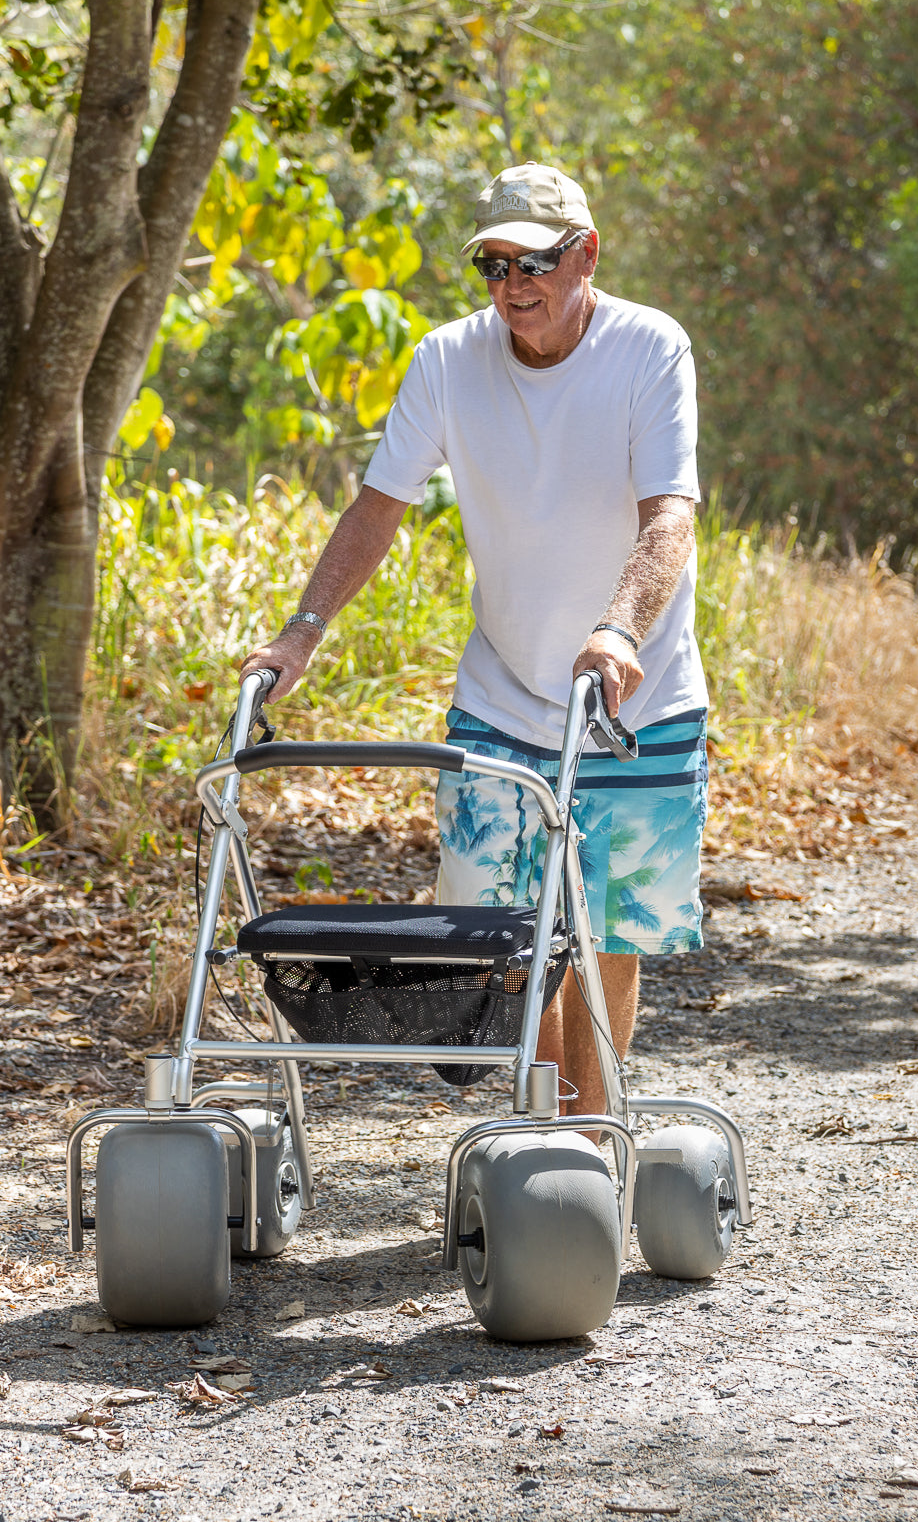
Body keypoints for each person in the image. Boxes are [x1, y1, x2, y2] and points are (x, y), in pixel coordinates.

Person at [241, 161, 708, 1119]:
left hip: (634, 694)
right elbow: (378, 506)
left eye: (533, 262)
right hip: (502, 692)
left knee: (605, 933)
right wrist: (302, 631)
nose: (512, 287)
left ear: (585, 254)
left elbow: (669, 515)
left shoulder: (648, 347)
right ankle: (542, 1127)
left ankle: (588, 1128)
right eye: (491, 266)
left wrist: (618, 628)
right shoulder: (447, 360)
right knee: (508, 936)